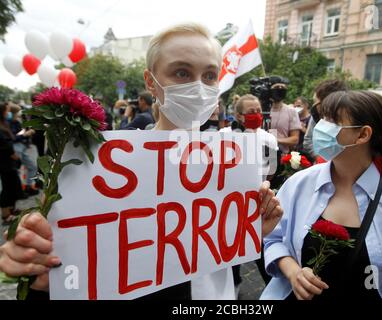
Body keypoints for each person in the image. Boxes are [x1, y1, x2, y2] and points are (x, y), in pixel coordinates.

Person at [0, 22, 283, 301]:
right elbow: (78, 267)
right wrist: (41, 275)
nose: (198, 87)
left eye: (209, 75)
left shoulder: (229, 162)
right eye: (182, 72)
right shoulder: (101, 164)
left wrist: (248, 230)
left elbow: (215, 252)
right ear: (151, 82)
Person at [261, 90, 382, 300]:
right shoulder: (298, 184)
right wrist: (293, 272)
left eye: (333, 121)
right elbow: (273, 239)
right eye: (323, 118)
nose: (321, 127)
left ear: (363, 134)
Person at [220, 94, 279, 296]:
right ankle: (233, 287)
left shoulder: (269, 138)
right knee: (231, 249)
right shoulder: (224, 135)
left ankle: (274, 287)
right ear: (238, 115)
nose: (256, 114)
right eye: (251, 111)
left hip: (257, 203)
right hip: (229, 203)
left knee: (259, 247)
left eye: (258, 110)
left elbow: (272, 169)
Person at [303, 79, 349, 158]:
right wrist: (322, 158)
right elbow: (308, 140)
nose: (314, 105)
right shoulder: (316, 116)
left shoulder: (350, 119)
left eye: (316, 101)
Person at [8, 103, 39, 195]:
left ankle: (28, 187)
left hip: (21, 147)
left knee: (32, 167)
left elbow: (19, 134)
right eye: (17, 112)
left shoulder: (16, 122)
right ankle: (17, 191)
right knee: (15, 170)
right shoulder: (6, 124)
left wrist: (26, 138)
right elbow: (12, 138)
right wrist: (25, 134)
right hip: (15, 149)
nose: (19, 114)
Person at [0, 102, 23, 225]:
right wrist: (13, 155)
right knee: (7, 187)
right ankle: (5, 215)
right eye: (7, 110)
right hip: (4, 162)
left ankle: (11, 209)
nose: (8, 112)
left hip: (10, 161)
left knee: (13, 185)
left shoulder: (5, 124)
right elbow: (4, 145)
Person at [269, 79, 301, 154]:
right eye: (277, 88)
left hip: (281, 156)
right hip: (261, 155)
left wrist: (275, 140)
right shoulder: (260, 110)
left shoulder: (291, 111)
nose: (280, 90)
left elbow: (295, 139)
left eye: (282, 88)